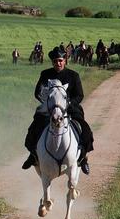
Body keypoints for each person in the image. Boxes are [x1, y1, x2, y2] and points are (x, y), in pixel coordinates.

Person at [22, 47, 93, 175]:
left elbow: (80, 95)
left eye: (60, 60)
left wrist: (69, 103)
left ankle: (83, 158)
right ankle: (33, 155)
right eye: (55, 61)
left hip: (70, 109)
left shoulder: (73, 75)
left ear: (65, 60)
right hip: (49, 110)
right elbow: (37, 93)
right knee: (34, 128)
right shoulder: (45, 74)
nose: (58, 63)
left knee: (85, 129)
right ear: (52, 62)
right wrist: (49, 104)